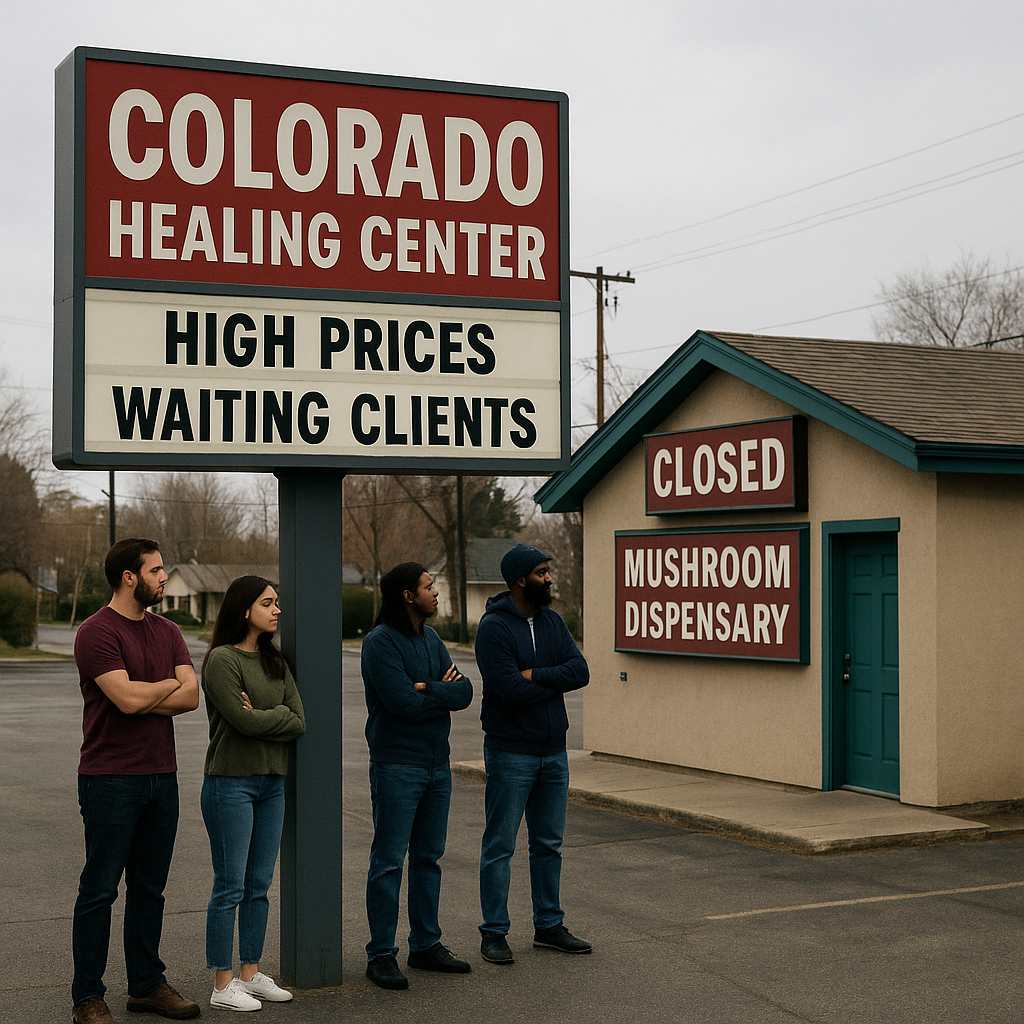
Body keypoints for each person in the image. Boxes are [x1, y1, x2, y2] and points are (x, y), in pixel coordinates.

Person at [71, 539, 201, 1024]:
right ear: (130, 576)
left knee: (150, 889)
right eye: (157, 570)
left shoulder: (167, 630)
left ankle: (146, 986)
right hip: (109, 779)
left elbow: (192, 698)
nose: (165, 577)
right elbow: (125, 700)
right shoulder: (95, 632)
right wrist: (168, 684)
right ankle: (88, 996)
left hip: (160, 778)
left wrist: (154, 689)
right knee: (100, 889)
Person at [474, 543, 592, 965]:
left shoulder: (553, 621)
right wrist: (545, 681)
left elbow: (581, 670)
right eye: (542, 572)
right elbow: (510, 689)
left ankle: (549, 925)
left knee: (548, 844)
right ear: (521, 579)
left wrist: (536, 674)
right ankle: (494, 933)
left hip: (553, 753)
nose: (549, 578)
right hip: (510, 752)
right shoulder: (493, 628)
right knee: (500, 845)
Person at [360, 562, 474, 990]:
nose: (436, 592)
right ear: (408, 596)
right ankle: (381, 955)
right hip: (396, 766)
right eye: (429, 586)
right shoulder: (379, 643)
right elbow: (401, 704)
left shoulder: (431, 638)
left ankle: (425, 945)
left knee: (429, 858)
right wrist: (431, 690)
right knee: (389, 862)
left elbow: (464, 692)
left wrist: (426, 687)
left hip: (436, 766)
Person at [200, 575, 306, 1012]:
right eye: (268, 602)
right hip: (230, 783)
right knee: (230, 885)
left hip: (271, 784)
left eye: (277, 602)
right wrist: (273, 715)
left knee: (259, 884)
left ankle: (250, 972)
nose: (277, 609)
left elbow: (298, 720)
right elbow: (241, 724)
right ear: (245, 609)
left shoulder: (275, 661)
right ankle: (222, 984)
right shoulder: (223, 661)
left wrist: (266, 712)